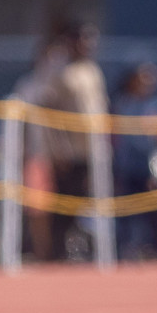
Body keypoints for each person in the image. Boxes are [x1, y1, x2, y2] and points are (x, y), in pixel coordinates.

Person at [25, 19, 108, 261]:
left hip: (90, 151)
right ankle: (55, 257)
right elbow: (48, 111)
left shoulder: (92, 71)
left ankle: (75, 253)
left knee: (84, 206)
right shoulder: (60, 73)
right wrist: (58, 150)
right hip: (68, 154)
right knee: (62, 209)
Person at [111, 63, 157, 260]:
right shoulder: (123, 104)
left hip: (150, 169)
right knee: (126, 211)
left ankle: (151, 249)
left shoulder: (156, 105)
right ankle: (126, 250)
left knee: (154, 213)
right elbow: (119, 141)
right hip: (127, 168)